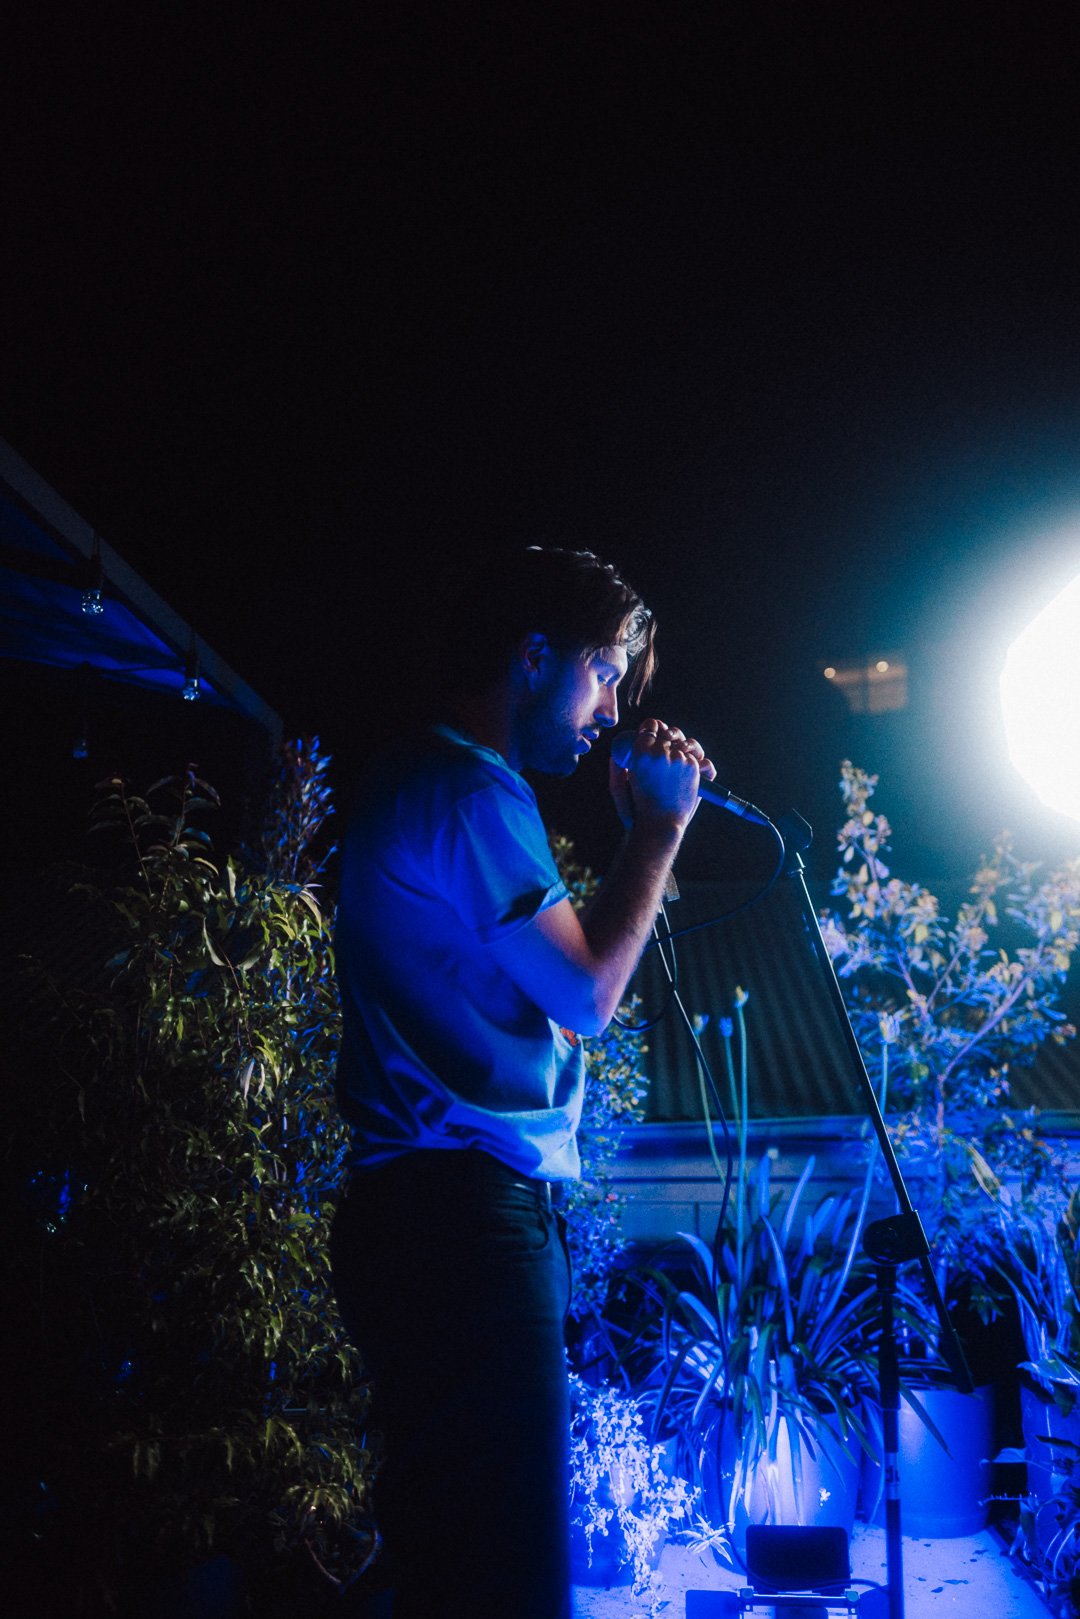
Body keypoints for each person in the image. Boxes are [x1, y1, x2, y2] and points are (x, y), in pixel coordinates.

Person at [330, 547, 714, 1618]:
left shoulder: (437, 778)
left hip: (429, 1214)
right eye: (603, 671)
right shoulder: (462, 785)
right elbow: (587, 991)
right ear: (533, 654)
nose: (609, 709)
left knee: (454, 1549)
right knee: (503, 1572)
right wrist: (659, 826)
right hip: (458, 1221)